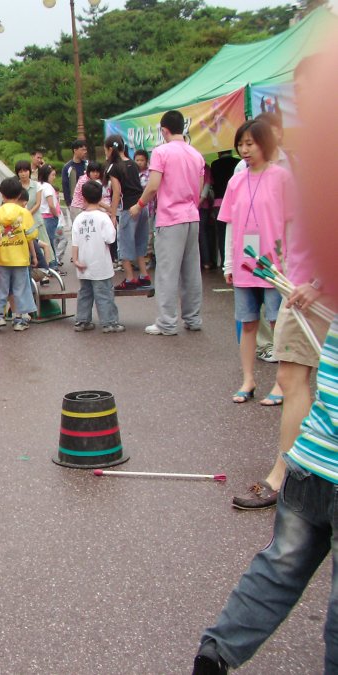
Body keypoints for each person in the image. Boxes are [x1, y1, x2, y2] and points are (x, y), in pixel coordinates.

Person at [231, 54, 334, 510]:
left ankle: (292, 475)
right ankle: (289, 473)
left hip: (315, 288)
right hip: (297, 282)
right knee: (294, 377)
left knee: (301, 379)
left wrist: (315, 278)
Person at [219, 119, 291, 406]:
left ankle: (282, 383)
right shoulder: (236, 180)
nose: (244, 150)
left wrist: (291, 263)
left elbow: (292, 223)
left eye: (250, 143)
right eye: (241, 144)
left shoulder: (282, 178)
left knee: (278, 323)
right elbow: (229, 224)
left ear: (265, 143)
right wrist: (228, 264)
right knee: (247, 322)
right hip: (244, 264)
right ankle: (248, 380)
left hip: (274, 266)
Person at [129, 109, 205, 336]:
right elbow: (199, 190)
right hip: (192, 216)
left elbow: (153, 186)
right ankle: (193, 318)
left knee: (167, 272)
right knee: (192, 271)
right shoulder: (196, 154)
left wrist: (138, 205)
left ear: (164, 130)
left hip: (170, 218)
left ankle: (166, 322)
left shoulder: (161, 152)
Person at [71, 180, 124, 333]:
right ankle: (109, 322)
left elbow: (75, 242)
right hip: (100, 264)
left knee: (85, 293)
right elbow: (110, 239)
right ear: (100, 197)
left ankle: (82, 320)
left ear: (84, 198)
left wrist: (76, 260)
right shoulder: (103, 218)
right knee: (104, 293)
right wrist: (113, 224)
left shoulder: (79, 219)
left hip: (83, 263)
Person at [0, 177, 39, 332]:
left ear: (2, 195)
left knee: (1, 288)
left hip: (1, 257)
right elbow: (32, 234)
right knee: (20, 288)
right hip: (20, 258)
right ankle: (19, 319)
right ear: (19, 195)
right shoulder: (24, 212)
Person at [104, 134, 151, 289]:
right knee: (140, 242)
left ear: (110, 149)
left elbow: (117, 191)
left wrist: (112, 214)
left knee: (124, 244)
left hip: (128, 209)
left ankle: (130, 278)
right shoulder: (132, 163)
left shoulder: (113, 167)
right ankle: (144, 275)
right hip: (141, 207)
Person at [36, 163, 63, 270]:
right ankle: (53, 264)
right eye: (52, 175)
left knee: (44, 240)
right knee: (50, 241)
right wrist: (56, 215)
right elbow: (51, 204)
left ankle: (48, 263)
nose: (54, 177)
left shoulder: (38, 185)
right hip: (49, 216)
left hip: (41, 216)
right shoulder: (47, 187)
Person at [62, 140, 89, 219]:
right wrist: (69, 204)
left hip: (88, 202)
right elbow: (65, 186)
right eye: (83, 150)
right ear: (75, 150)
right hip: (75, 204)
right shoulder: (67, 167)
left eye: (86, 150)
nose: (85, 152)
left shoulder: (87, 165)